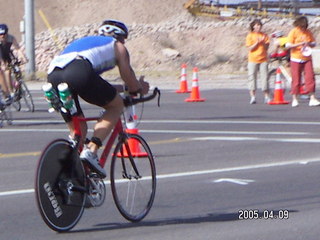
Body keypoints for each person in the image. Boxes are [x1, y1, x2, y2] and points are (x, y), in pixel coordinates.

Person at [47, 20, 149, 178]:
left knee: (79, 131)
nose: (123, 42)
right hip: (79, 71)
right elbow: (126, 73)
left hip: (54, 74)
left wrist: (125, 88)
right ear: (120, 37)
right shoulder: (117, 46)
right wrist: (138, 87)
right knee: (116, 106)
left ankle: (74, 175)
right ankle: (92, 151)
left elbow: (96, 83)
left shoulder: (88, 44)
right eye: (124, 39)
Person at [286, 16, 320, 107]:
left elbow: (314, 43)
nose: (303, 28)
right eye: (302, 26)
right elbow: (288, 45)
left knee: (310, 77)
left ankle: (312, 97)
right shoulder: (293, 32)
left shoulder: (308, 32)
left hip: (307, 57)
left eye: (305, 26)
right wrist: (299, 44)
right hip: (296, 58)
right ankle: (295, 98)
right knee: (296, 79)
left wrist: (309, 44)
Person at [0, 24, 28, 103]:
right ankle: (10, 92)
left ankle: (18, 86)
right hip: (1, 56)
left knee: (16, 68)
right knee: (7, 71)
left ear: (7, 33)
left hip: (8, 55)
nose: (2, 36)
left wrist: (23, 57)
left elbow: (18, 49)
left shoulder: (11, 38)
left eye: (4, 34)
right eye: (0, 34)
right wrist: (2, 64)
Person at [245, 19, 271, 104]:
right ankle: (253, 97)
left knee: (265, 77)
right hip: (253, 59)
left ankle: (266, 96)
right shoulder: (250, 36)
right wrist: (257, 43)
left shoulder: (264, 35)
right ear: (253, 26)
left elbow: (267, 48)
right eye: (256, 25)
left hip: (263, 59)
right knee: (252, 77)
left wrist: (263, 43)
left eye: (259, 25)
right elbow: (249, 48)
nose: (258, 27)